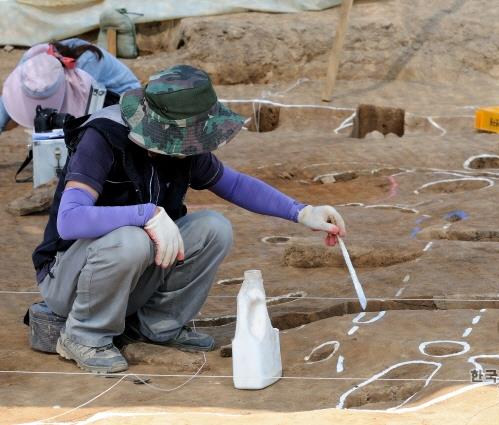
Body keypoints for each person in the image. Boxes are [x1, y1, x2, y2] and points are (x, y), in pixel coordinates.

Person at [32, 64, 347, 373]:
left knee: (213, 228)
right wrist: (146, 214)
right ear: (165, 128)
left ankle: (157, 326)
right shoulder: (103, 138)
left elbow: (235, 184)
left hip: (126, 278)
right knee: (133, 240)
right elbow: (70, 220)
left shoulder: (181, 148)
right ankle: (83, 336)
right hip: (68, 279)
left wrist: (303, 212)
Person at [0, 38, 140, 133]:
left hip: (125, 104)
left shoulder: (85, 67)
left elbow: (79, 115)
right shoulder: (33, 60)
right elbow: (7, 101)